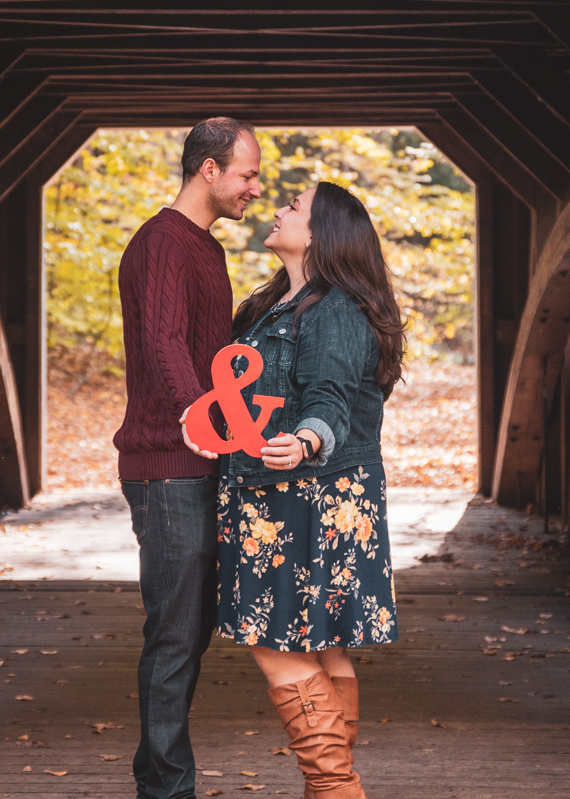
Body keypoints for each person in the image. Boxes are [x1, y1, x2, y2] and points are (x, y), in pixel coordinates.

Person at [185, 182, 405, 799]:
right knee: (324, 647)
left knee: (275, 644)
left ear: (322, 233)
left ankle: (338, 790)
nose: (278, 209)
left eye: (294, 206)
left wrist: (305, 440)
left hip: (307, 496)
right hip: (309, 496)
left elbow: (329, 400)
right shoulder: (278, 304)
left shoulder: (332, 307)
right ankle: (330, 792)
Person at [113, 117, 262, 799]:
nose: (254, 188)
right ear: (209, 169)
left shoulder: (208, 250)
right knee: (174, 634)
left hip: (202, 460)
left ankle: (158, 773)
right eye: (247, 174)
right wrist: (203, 418)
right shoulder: (161, 243)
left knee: (191, 629)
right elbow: (164, 344)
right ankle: (166, 787)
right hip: (166, 463)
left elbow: (212, 348)